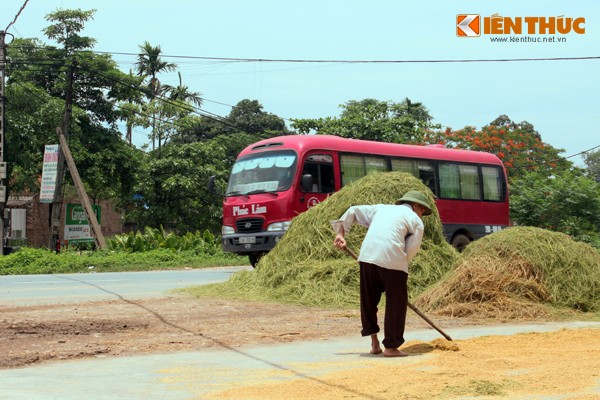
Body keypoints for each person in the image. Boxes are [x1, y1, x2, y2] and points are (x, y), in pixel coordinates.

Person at [331, 191, 432, 357]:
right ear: (416, 206)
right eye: (422, 211)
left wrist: (340, 234)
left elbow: (353, 210)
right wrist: (400, 262)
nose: (422, 215)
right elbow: (412, 249)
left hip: (367, 257)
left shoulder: (381, 209)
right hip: (393, 261)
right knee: (396, 304)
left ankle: (374, 343)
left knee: (368, 301)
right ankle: (391, 347)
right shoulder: (416, 221)